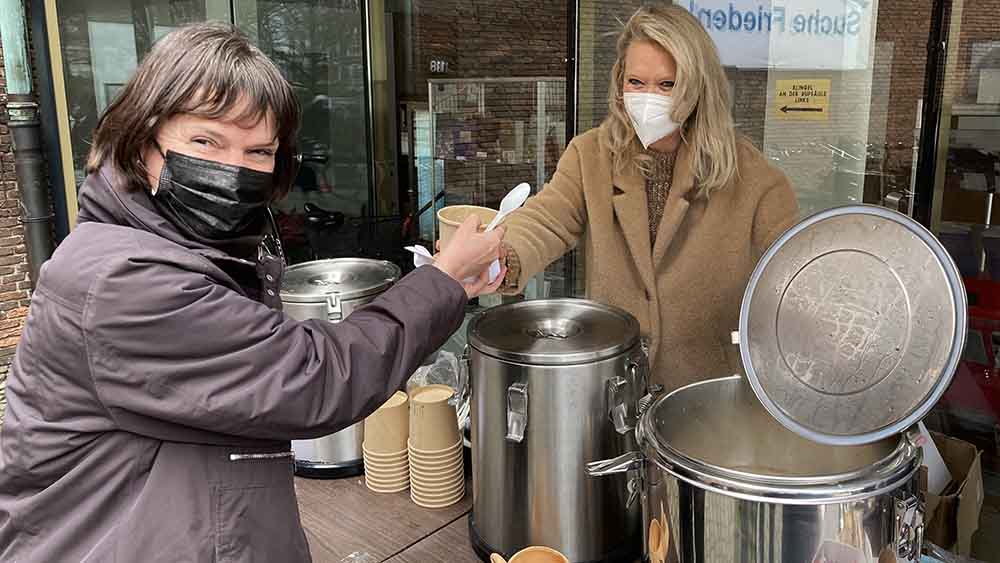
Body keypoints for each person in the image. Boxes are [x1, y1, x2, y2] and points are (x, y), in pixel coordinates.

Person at [0, 23, 504, 561]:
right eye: (205, 141)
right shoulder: (124, 281)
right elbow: (315, 378)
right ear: (143, 143)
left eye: (258, 152)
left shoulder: (176, 250)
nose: (232, 169)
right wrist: (443, 279)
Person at [499, 3, 798, 393]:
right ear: (619, 82)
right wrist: (501, 256)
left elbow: (796, 275)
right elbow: (547, 218)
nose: (648, 98)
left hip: (705, 396)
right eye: (636, 83)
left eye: (667, 85)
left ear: (696, 87)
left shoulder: (754, 179)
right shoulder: (590, 155)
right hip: (612, 389)